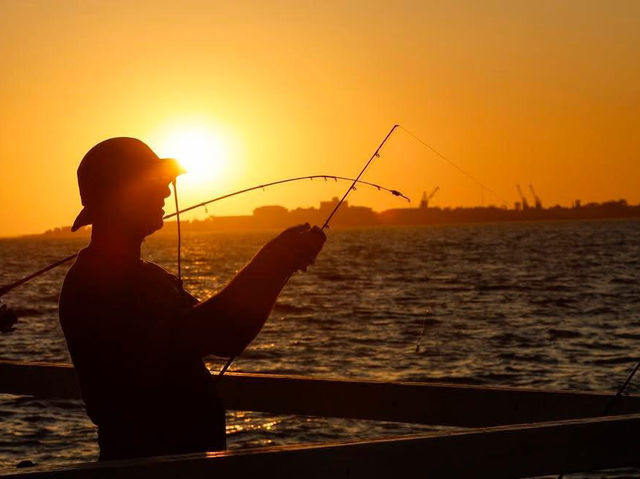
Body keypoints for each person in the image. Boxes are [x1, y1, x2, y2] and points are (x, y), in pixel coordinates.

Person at [58, 137, 325, 461]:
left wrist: (282, 265)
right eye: (153, 182)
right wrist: (273, 262)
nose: (166, 192)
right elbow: (217, 332)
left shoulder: (150, 277)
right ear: (118, 196)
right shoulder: (95, 283)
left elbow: (230, 332)